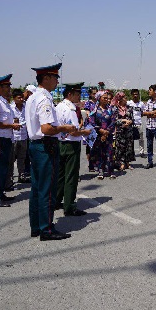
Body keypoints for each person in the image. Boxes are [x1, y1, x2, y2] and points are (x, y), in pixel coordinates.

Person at [24, 63, 76, 240]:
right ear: (45, 78)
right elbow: (46, 128)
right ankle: (46, 229)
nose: (56, 81)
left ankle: (36, 226)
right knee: (47, 189)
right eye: (55, 77)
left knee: (37, 188)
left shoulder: (32, 97)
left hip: (35, 145)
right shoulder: (44, 99)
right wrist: (64, 128)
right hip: (45, 145)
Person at [55, 83, 91, 216]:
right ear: (69, 94)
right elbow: (74, 132)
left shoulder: (59, 106)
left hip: (60, 143)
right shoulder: (70, 109)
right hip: (70, 145)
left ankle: (56, 201)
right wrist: (86, 132)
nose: (79, 97)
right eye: (77, 94)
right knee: (71, 176)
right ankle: (69, 206)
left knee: (60, 175)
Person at [0, 74, 21, 207]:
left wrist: (14, 126)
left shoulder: (4, 102)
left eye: (9, 86)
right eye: (6, 86)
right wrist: (11, 126)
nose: (9, 89)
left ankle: (0, 193)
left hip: (6, 138)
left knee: (4, 169)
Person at [88, 90, 117, 179]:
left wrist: (107, 131)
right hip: (98, 135)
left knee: (110, 152)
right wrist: (100, 130)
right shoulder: (94, 109)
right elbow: (91, 121)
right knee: (99, 153)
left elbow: (113, 121)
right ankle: (100, 171)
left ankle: (110, 171)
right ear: (99, 98)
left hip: (108, 134)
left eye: (107, 98)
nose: (106, 100)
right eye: (104, 98)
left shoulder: (110, 109)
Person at [10, 89, 29, 184]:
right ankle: (9, 178)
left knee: (22, 158)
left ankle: (22, 175)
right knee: (12, 158)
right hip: (14, 137)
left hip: (24, 136)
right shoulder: (11, 109)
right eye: (19, 97)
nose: (21, 99)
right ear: (14, 99)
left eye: (22, 97)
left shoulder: (26, 107)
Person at [113, 91, 136, 171]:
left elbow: (132, 118)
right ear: (120, 99)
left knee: (129, 147)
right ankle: (121, 163)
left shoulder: (129, 108)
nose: (126, 99)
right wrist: (123, 121)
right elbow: (114, 120)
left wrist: (129, 122)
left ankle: (128, 163)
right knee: (120, 147)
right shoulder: (115, 108)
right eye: (124, 98)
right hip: (119, 131)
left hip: (129, 131)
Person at [127, 88, 145, 156]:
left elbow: (143, 113)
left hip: (139, 123)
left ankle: (141, 152)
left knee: (141, 139)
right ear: (132, 95)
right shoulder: (129, 103)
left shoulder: (141, 104)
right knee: (130, 139)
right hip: (131, 124)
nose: (135, 96)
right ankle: (131, 152)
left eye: (136, 94)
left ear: (138, 95)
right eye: (134, 94)